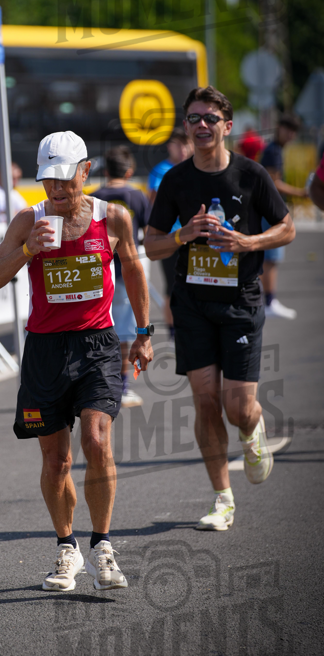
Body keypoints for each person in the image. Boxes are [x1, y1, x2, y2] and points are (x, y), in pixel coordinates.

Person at [0, 130, 153, 591]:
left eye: (65, 178)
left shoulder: (113, 217)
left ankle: (103, 547)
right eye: (47, 179)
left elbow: (134, 268)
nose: (56, 188)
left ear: (85, 171)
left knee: (97, 439)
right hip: (45, 350)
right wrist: (27, 250)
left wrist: (143, 333)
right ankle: (67, 547)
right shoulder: (28, 220)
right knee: (56, 460)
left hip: (97, 345)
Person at [145, 86, 295, 532]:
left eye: (210, 118)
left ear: (227, 126)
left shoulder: (251, 175)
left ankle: (252, 428)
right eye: (194, 118)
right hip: (192, 302)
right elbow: (151, 245)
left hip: (240, 300)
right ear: (186, 126)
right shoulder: (175, 180)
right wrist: (183, 235)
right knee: (205, 400)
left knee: (237, 408)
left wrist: (249, 241)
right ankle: (222, 499)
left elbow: (287, 228)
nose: (202, 125)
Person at [92, 146, 151, 407]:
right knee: (125, 333)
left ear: (106, 171)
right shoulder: (138, 196)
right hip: (127, 271)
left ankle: (97, 383)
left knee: (97, 328)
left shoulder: (94, 198)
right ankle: (122, 386)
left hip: (98, 272)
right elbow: (149, 234)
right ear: (129, 171)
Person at [147, 128, 194, 339]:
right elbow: (154, 203)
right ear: (169, 146)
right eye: (178, 144)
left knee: (195, 283)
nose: (183, 149)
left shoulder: (195, 167)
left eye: (186, 144)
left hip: (194, 237)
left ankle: (192, 325)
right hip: (170, 238)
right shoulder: (161, 171)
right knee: (172, 285)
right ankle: (173, 329)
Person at [260, 114, 307, 319]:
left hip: (269, 209)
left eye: (294, 131)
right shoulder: (273, 151)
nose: (291, 135)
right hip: (270, 210)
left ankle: (268, 301)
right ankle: (269, 302)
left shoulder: (275, 149)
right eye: (289, 130)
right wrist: (301, 193)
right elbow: (274, 182)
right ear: (279, 128)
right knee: (271, 258)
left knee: (270, 258)